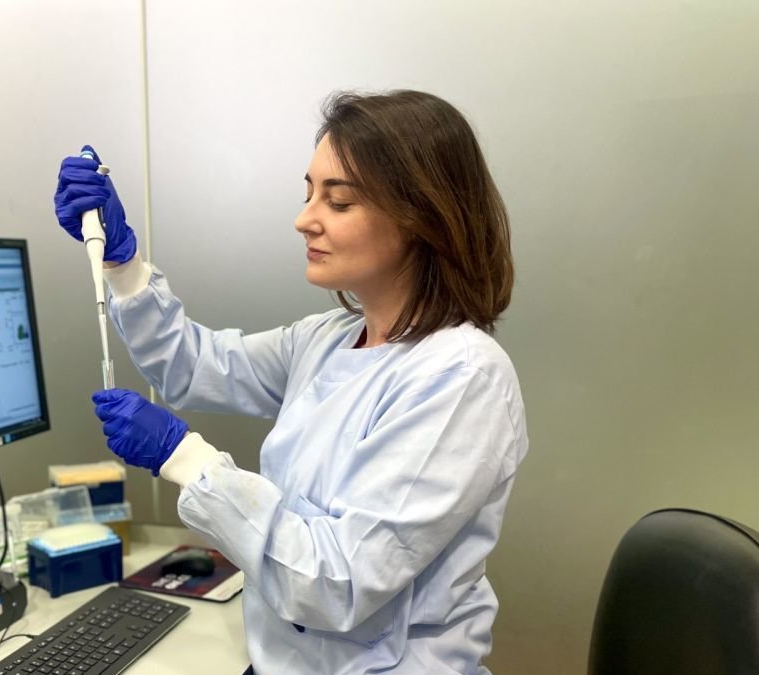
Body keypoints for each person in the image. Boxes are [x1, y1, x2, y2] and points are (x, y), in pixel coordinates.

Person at [53, 90, 528, 675]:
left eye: (340, 200)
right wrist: (123, 266)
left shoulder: (460, 378)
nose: (305, 218)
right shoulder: (330, 337)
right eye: (309, 192)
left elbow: (336, 582)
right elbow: (195, 366)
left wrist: (184, 457)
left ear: (421, 215)